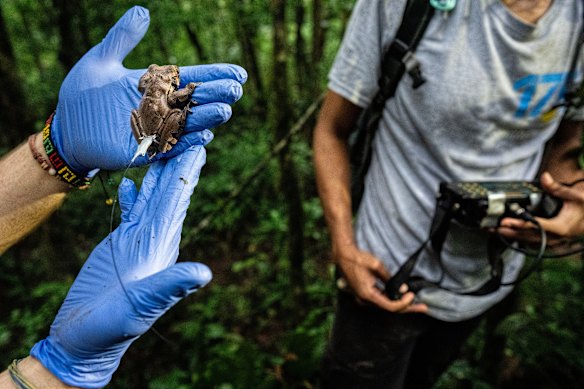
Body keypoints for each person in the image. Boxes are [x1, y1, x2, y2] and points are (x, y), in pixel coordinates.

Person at [312, 0, 584, 387]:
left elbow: (563, 151)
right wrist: (344, 247)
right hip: (384, 275)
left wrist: (571, 210)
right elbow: (331, 130)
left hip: (483, 282)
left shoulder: (577, 22)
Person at [0, 6, 246, 388]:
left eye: (163, 79)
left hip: (152, 123)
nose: (160, 78)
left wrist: (58, 150)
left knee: (173, 124)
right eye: (158, 77)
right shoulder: (155, 84)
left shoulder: (163, 88)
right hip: (145, 123)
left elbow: (163, 93)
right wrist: (50, 373)